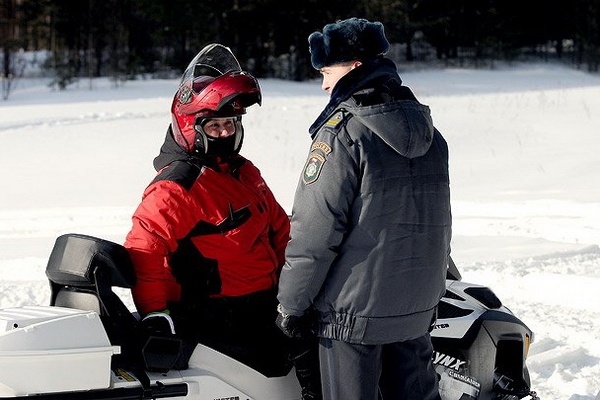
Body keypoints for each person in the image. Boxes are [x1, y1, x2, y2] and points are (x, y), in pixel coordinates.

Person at [276, 18, 452, 400]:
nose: (323, 84)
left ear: (354, 67)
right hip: (415, 309)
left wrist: (291, 305)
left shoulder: (342, 135)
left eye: (326, 72)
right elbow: (439, 225)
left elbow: (314, 232)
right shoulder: (431, 132)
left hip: (351, 317)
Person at [124, 43, 296, 379]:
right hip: (217, 317)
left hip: (265, 305)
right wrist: (155, 313)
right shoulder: (177, 186)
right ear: (191, 127)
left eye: (230, 125)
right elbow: (144, 250)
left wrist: (300, 286)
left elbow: (280, 230)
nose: (224, 133)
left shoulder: (243, 172)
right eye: (214, 127)